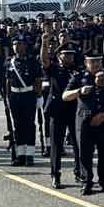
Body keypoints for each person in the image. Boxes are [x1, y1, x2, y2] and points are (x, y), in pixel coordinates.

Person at [63, 50, 104, 195]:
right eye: (92, 62)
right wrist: (79, 91)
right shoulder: (79, 77)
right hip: (84, 120)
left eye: (98, 61)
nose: (96, 64)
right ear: (86, 63)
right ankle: (87, 182)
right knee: (85, 153)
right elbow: (65, 96)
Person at [41, 39, 80, 187]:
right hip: (57, 111)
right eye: (66, 54)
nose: (69, 57)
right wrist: (44, 44)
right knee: (56, 145)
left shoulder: (78, 69)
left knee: (78, 144)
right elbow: (44, 61)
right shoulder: (54, 69)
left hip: (74, 110)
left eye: (71, 54)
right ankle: (55, 175)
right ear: (59, 56)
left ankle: (79, 173)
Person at [6, 37, 41, 166]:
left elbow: (38, 80)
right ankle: (20, 154)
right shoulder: (10, 62)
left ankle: (30, 154)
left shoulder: (32, 61)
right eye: (14, 44)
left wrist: (39, 96)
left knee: (29, 125)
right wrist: (8, 97)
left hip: (29, 95)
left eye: (19, 44)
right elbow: (8, 81)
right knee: (17, 125)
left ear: (25, 46)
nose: (16, 46)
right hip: (15, 96)